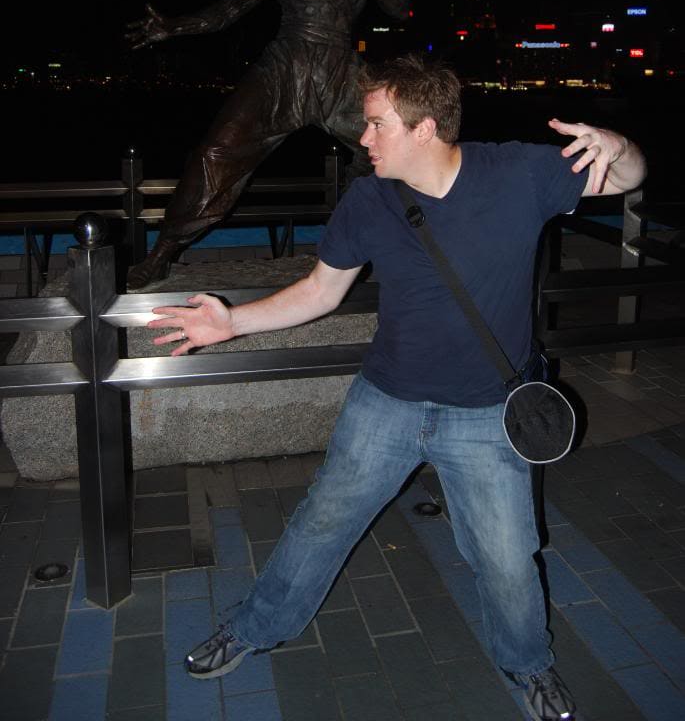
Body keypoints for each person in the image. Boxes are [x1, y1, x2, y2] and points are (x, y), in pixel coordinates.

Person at [146, 55, 646, 721]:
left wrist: (617, 145)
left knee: (506, 558)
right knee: (321, 523)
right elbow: (321, 292)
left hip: (486, 412)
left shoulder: (520, 174)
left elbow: (628, 177)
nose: (364, 138)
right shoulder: (369, 199)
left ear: (424, 127)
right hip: (386, 402)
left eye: (377, 124)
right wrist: (231, 322)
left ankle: (529, 663)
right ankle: (253, 627)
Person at [126, 0, 409, 288]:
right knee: (216, 150)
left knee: (394, 147)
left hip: (339, 68)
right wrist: (174, 27)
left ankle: (367, 243)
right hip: (284, 65)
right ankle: (163, 250)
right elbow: (229, 10)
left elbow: (400, 7)